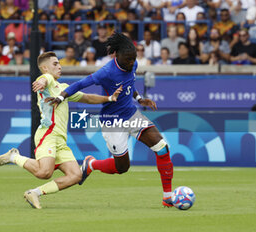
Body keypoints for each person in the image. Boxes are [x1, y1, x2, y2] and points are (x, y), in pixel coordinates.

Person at [48, 32, 175, 208]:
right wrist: (62, 97)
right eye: (128, 60)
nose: (132, 63)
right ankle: (91, 164)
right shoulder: (106, 72)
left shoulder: (132, 64)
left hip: (131, 115)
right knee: (122, 167)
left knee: (161, 147)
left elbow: (130, 85)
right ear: (117, 55)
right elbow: (80, 84)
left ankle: (168, 198)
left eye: (133, 59)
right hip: (112, 121)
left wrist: (139, 99)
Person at [0, 51, 122, 209]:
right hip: (48, 134)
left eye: (59, 63)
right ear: (45, 68)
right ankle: (14, 157)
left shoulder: (64, 89)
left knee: (76, 176)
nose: (59, 66)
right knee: (44, 173)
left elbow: (87, 97)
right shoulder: (47, 80)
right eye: (55, 64)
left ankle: (34, 193)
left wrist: (109, 98)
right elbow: (43, 79)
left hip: (60, 139)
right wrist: (40, 81)